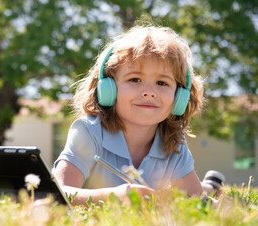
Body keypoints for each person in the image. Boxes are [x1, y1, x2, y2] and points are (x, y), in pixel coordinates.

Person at [53, 25, 219, 206]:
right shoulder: (88, 132)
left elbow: (196, 200)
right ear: (108, 88)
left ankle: (212, 186)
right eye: (135, 79)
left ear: (179, 97)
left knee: (203, 191)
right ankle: (211, 185)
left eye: (162, 82)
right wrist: (118, 196)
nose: (149, 92)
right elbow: (59, 193)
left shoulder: (174, 143)